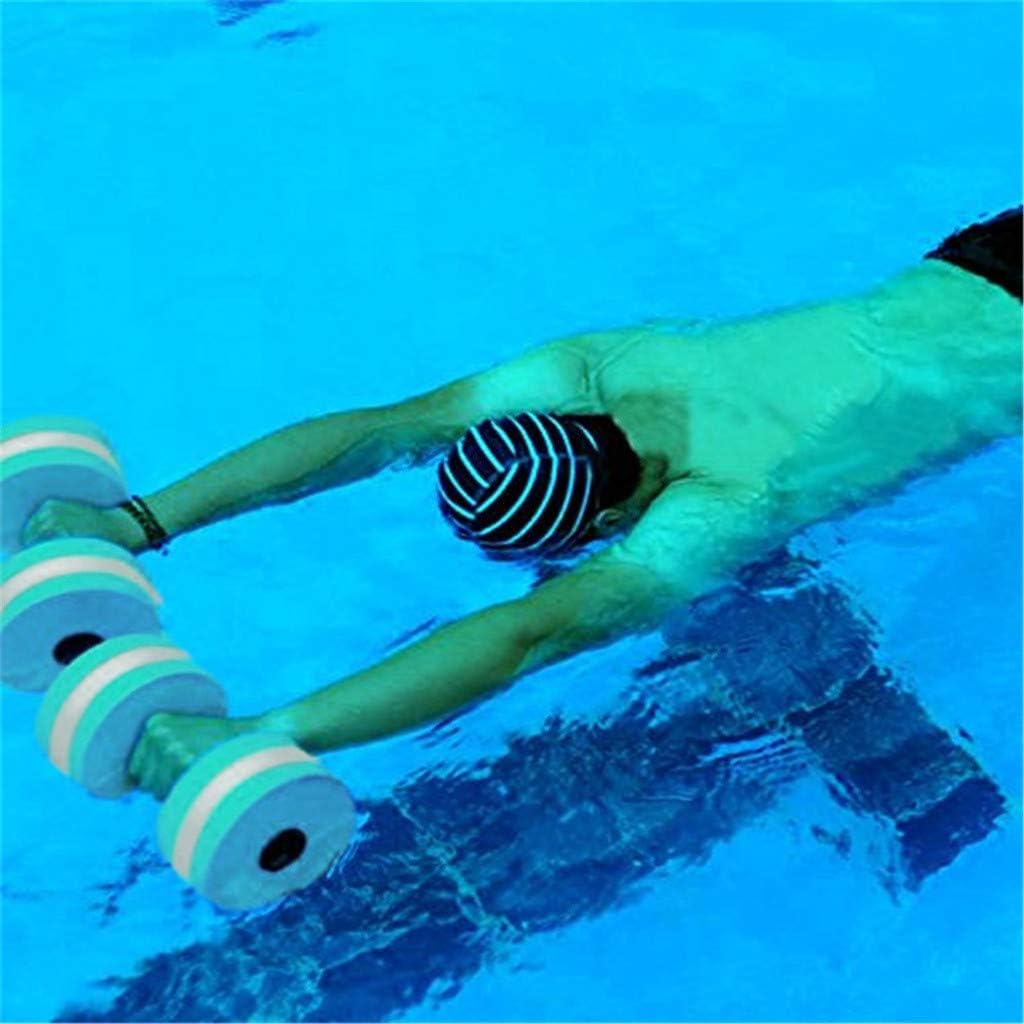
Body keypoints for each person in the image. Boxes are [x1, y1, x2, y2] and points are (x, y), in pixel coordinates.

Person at [23, 208, 1023, 800]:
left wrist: (264, 735)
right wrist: (132, 521)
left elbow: (526, 636)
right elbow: (384, 429)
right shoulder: (608, 364)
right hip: (983, 257)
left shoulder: (725, 502)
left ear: (604, 526)